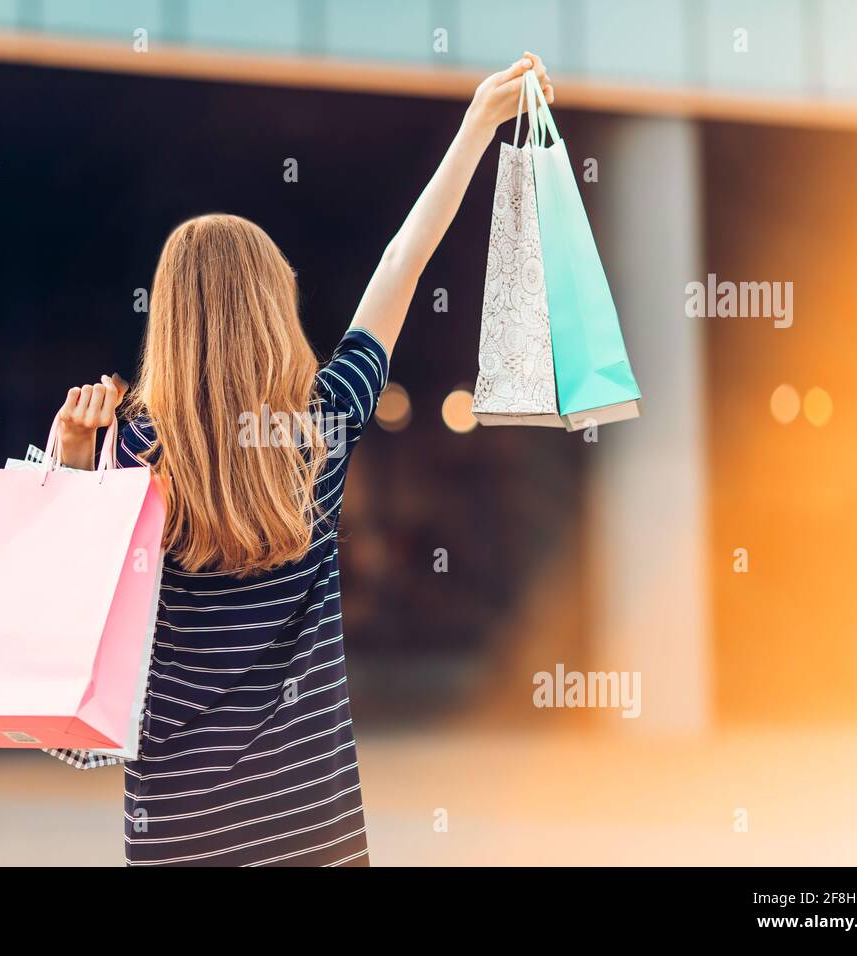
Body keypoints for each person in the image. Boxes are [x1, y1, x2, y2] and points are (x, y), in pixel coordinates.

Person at [45, 54, 555, 866]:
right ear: (273, 305)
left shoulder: (132, 453)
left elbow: (73, 623)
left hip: (179, 833)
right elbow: (401, 266)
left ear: (170, 320)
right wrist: (474, 130)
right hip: (312, 826)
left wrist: (72, 468)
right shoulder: (322, 425)